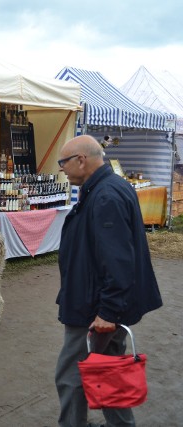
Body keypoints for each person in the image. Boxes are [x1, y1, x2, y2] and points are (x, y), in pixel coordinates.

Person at [55, 134, 162, 427]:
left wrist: (108, 311)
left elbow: (118, 260)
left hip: (94, 308)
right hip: (99, 302)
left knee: (71, 376)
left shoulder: (105, 195)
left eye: (63, 162)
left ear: (81, 160)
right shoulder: (109, 187)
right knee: (110, 369)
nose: (61, 168)